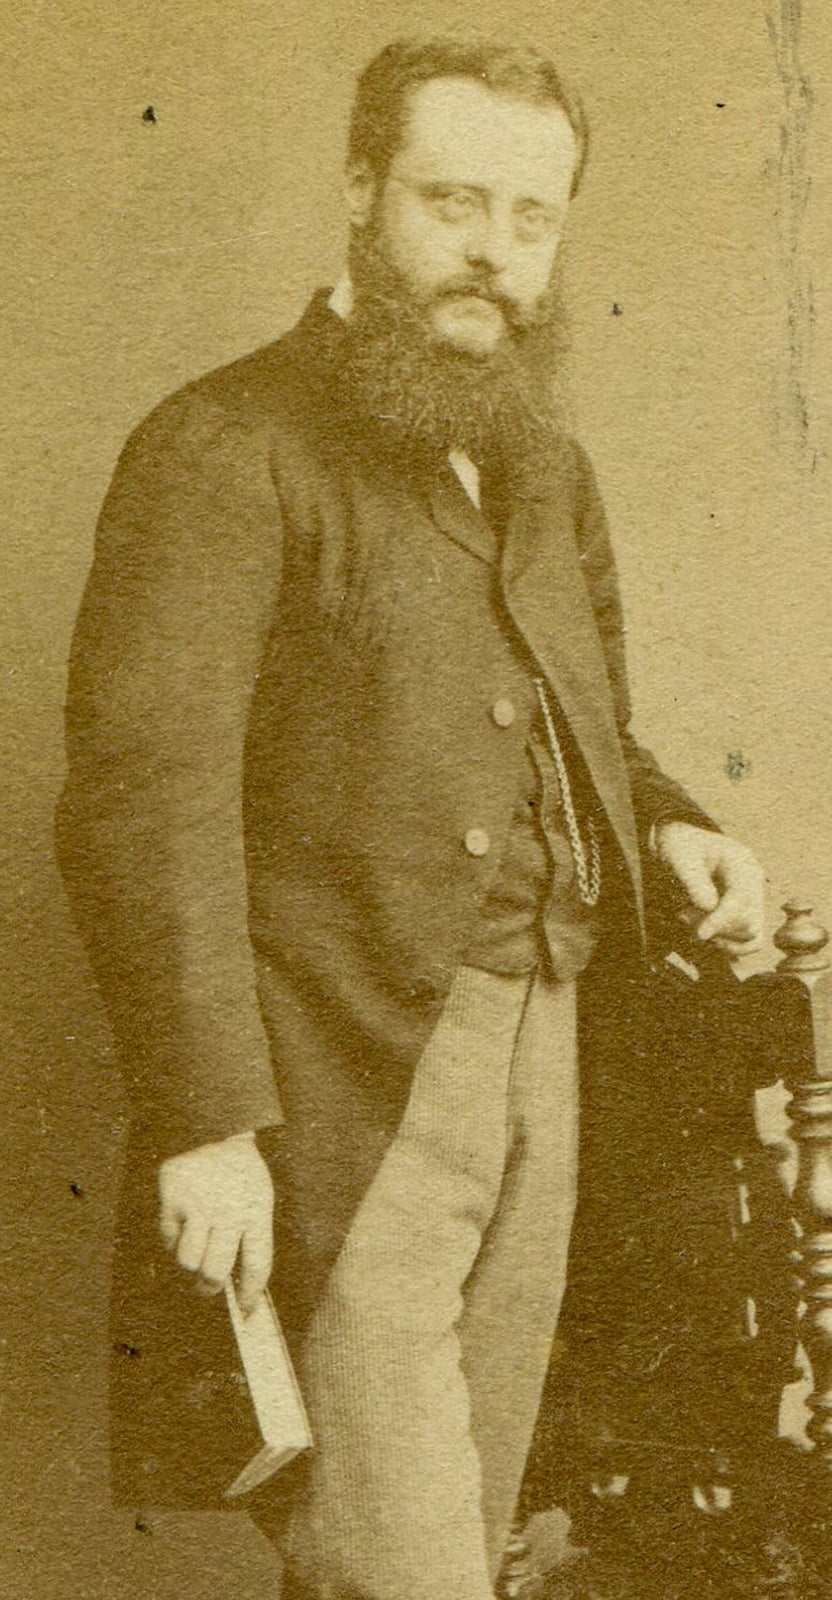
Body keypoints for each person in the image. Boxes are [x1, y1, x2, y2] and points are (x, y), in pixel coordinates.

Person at [56, 35, 766, 1600]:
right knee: (408, 1561)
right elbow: (140, 804)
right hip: (338, 1080)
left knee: (469, 1523)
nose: (492, 256)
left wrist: (666, 826)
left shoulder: (544, 468)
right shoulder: (225, 444)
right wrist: (203, 1120)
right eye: (454, 202)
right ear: (365, 194)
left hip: (550, 1053)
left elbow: (588, 724)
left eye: (532, 219)